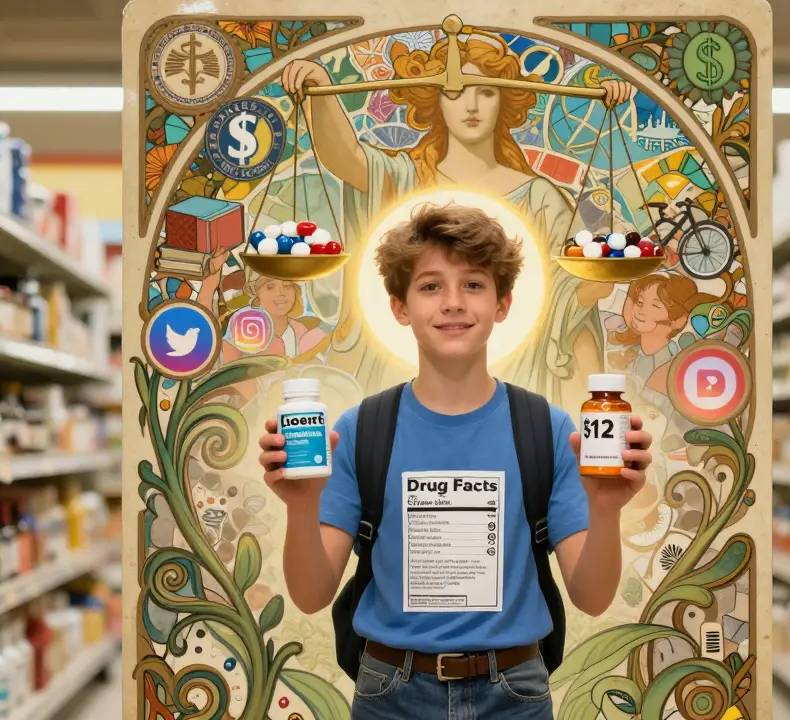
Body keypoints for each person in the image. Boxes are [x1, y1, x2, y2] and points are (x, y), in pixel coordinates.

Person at [256, 203, 653, 719]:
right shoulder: (360, 431)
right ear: (399, 307)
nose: (452, 303)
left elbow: (593, 598)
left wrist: (606, 510)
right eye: (429, 286)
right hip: (389, 692)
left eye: (473, 284)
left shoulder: (547, 430)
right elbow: (311, 596)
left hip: (515, 694)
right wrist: (301, 505)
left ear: (503, 303)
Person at [281, 37, 633, 408]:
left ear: (504, 102)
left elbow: (569, 300)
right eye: (456, 93)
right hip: (408, 374)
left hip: (518, 369)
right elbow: (346, 157)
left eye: (486, 92)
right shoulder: (407, 177)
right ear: (435, 101)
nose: (471, 105)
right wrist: (320, 88)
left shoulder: (539, 197)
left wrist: (598, 279)